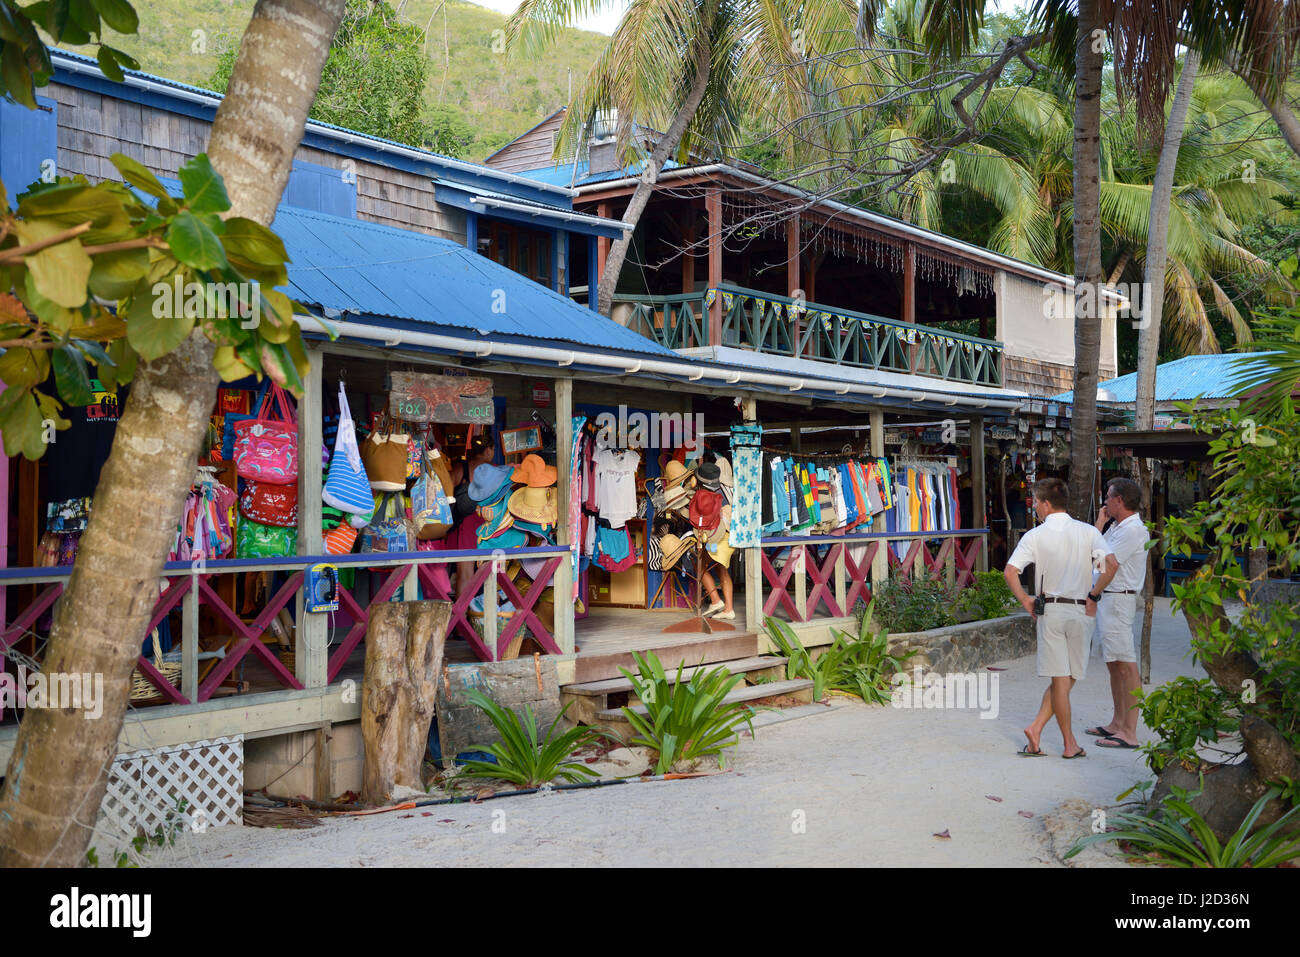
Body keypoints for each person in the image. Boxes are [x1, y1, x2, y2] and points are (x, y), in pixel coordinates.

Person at [1004, 478, 1119, 759]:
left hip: (1051, 610)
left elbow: (1010, 572)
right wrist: (1094, 594)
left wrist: (1025, 600)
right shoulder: (1088, 532)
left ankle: (1038, 729)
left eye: (1036, 504)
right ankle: (1067, 742)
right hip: (1081, 610)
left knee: (1061, 679)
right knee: (1067, 678)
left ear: (1045, 503)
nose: (1036, 509)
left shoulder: (1035, 535)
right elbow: (1111, 566)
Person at [1085, 477, 1149, 749]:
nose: (1106, 502)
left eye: (1109, 497)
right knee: (1114, 664)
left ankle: (1129, 731)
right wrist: (1099, 526)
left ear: (1120, 500)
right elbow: (1096, 558)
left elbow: (1106, 566)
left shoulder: (1132, 530)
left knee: (1125, 663)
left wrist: (1093, 594)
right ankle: (1117, 722)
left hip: (1117, 598)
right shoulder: (1115, 528)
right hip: (1109, 600)